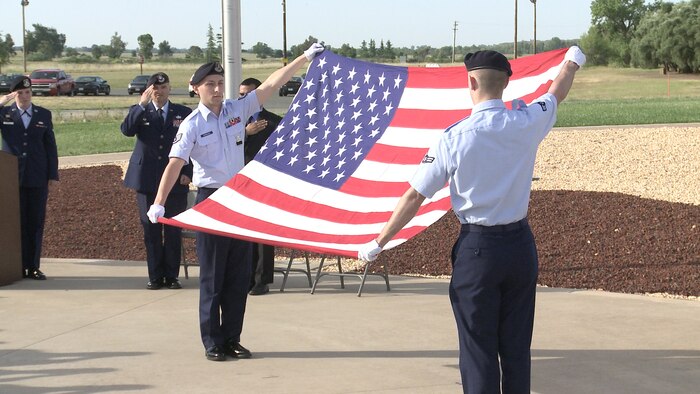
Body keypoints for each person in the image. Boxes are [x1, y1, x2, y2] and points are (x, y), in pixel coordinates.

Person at [358, 47, 586, 393]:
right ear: (506, 84)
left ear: (470, 82)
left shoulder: (454, 137)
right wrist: (571, 62)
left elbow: (414, 196)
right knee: (515, 347)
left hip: (478, 250)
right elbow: (556, 93)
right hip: (520, 246)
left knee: (478, 348)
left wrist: (379, 242)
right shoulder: (525, 122)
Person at [147, 42, 325, 361]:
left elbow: (273, 84)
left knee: (238, 275)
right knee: (213, 276)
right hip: (211, 199)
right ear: (196, 88)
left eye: (219, 84)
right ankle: (212, 341)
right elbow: (174, 163)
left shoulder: (236, 110)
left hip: (239, 199)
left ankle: (232, 337)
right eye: (209, 85)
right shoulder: (191, 125)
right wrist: (159, 201)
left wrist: (303, 58)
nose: (216, 89)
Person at [121, 72, 193, 290]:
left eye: (163, 87)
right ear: (148, 90)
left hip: (175, 180)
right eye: (155, 88)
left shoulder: (183, 112)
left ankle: (171, 276)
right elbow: (126, 130)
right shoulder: (140, 112)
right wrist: (141, 105)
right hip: (146, 180)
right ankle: (155, 276)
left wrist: (188, 171)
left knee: (172, 230)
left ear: (170, 89)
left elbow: (193, 144)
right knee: (150, 230)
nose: (159, 92)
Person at [0, 75, 59, 280]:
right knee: (15, 223)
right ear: (13, 94)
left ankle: (33, 266)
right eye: (20, 93)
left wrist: (52, 174)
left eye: (27, 92)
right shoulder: (5, 114)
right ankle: (16, 266)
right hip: (11, 177)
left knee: (35, 221)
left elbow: (50, 146)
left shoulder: (43, 114)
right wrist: (1, 103)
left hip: (36, 175)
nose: (25, 96)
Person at [239, 77, 283, 296]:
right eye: (241, 94)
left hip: (265, 184)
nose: (244, 98)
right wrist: (245, 133)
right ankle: (246, 276)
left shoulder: (274, 122)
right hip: (240, 183)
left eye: (248, 94)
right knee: (244, 233)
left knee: (262, 234)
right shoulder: (234, 121)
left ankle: (262, 280)